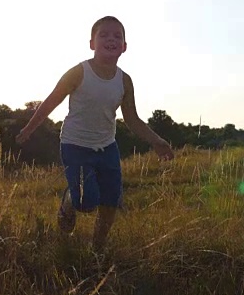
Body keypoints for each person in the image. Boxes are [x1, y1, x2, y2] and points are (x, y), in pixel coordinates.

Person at [16, 16, 175, 253]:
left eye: (117, 36)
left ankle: (97, 252)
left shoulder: (124, 81)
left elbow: (131, 119)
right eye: (104, 35)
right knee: (86, 202)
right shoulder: (78, 73)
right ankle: (69, 200)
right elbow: (51, 101)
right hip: (75, 146)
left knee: (110, 202)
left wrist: (157, 141)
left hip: (107, 147)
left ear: (124, 47)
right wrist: (28, 129)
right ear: (92, 43)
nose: (111, 39)